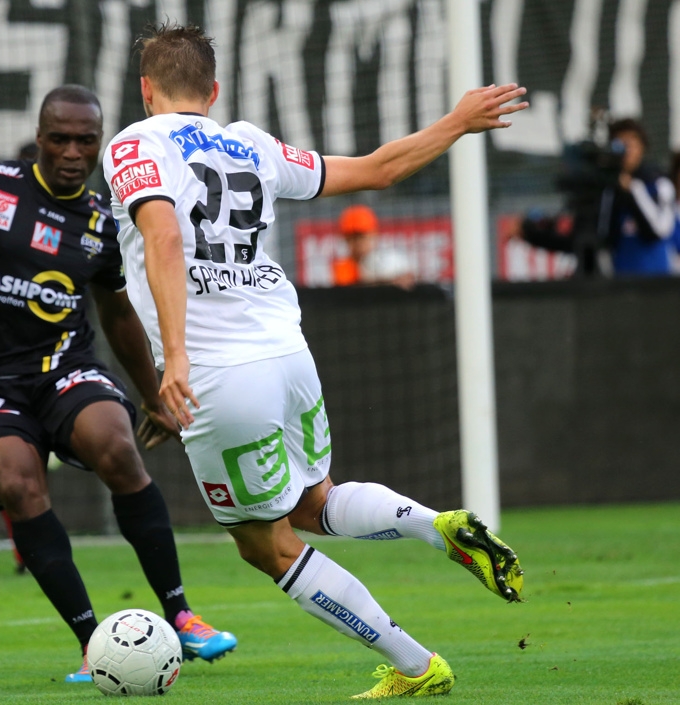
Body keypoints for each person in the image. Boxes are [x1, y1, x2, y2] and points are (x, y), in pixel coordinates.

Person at [103, 23, 527, 699]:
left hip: (219, 374)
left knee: (264, 545)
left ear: (146, 89)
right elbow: (379, 170)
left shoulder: (133, 143)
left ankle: (418, 665)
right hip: (288, 353)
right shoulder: (252, 144)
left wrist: (173, 359)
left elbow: (160, 234)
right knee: (312, 500)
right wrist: (457, 120)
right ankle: (435, 524)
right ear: (213, 91)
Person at [0, 84, 237, 682]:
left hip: (65, 369)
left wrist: (154, 395)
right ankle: (94, 645)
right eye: (60, 138)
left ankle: (183, 615)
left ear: (99, 144)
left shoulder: (100, 222)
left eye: (85, 141)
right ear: (40, 138)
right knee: (18, 481)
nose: (72, 151)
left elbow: (118, 314)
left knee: (118, 446)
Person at [510, 118, 677, 277]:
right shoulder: (605, 190)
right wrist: (532, 234)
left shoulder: (657, 184)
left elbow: (657, 231)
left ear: (642, 147)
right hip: (619, 286)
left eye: (631, 143)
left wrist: (632, 190)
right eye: (620, 144)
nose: (626, 150)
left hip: (656, 286)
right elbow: (584, 240)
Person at [333, 204, 414, 289]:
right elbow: (350, 290)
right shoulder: (343, 267)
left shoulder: (389, 259)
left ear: (374, 234)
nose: (357, 243)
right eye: (351, 238)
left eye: (361, 236)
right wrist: (388, 282)